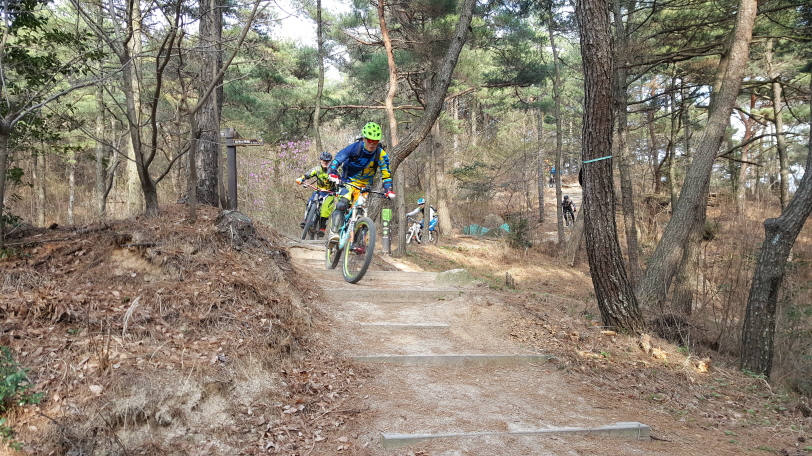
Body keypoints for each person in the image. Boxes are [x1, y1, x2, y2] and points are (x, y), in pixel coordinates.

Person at [327, 122, 395, 242]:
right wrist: (332, 171)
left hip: (364, 186)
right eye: (370, 140)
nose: (372, 143)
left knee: (360, 211)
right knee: (342, 204)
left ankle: (357, 242)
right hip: (348, 181)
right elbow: (339, 158)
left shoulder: (380, 154)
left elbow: (386, 173)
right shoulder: (355, 148)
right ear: (364, 138)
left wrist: (388, 189)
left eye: (375, 141)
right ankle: (334, 233)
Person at [295, 151, 338, 236]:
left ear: (330, 161)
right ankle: (306, 220)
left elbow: (339, 181)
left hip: (330, 193)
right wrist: (301, 179)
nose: (325, 162)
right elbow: (307, 174)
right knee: (310, 202)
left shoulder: (334, 171)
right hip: (318, 190)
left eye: (327, 161)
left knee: (325, 210)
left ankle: (322, 228)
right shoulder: (317, 169)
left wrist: (338, 190)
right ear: (320, 160)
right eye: (323, 161)